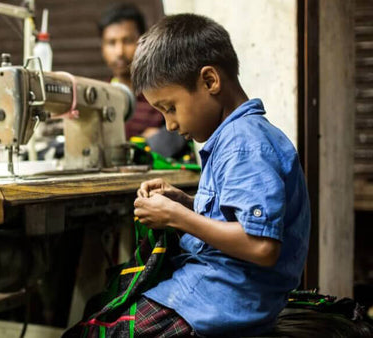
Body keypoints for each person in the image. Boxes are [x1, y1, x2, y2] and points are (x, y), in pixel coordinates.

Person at [67, 13, 311, 337]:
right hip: (218, 291)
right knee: (99, 314)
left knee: (95, 332)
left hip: (222, 301)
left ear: (210, 81)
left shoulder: (244, 143)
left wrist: (178, 217)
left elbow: (262, 246)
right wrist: (186, 202)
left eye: (170, 107)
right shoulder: (233, 137)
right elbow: (233, 215)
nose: (169, 124)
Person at [98, 3, 188, 158]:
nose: (119, 52)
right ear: (102, 48)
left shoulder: (162, 93)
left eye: (127, 41)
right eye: (112, 43)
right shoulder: (98, 96)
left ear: (142, 41)